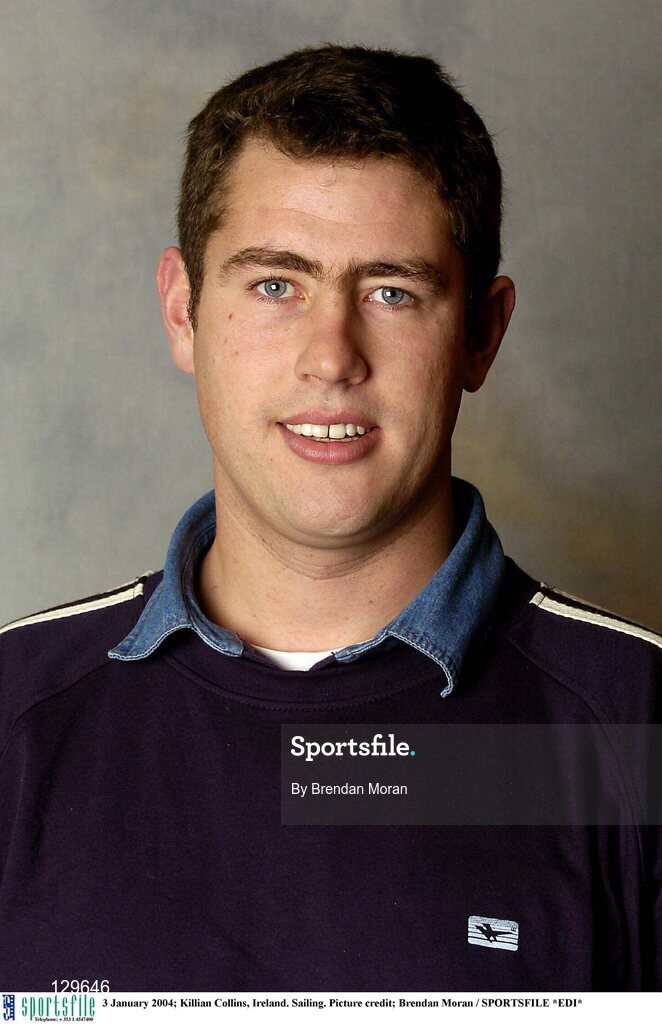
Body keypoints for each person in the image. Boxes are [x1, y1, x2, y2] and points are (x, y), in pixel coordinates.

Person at [0, 45, 659, 993]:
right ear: (183, 313)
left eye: (393, 291)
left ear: (481, 333)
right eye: (276, 284)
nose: (332, 356)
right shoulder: (17, 720)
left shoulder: (635, 729)